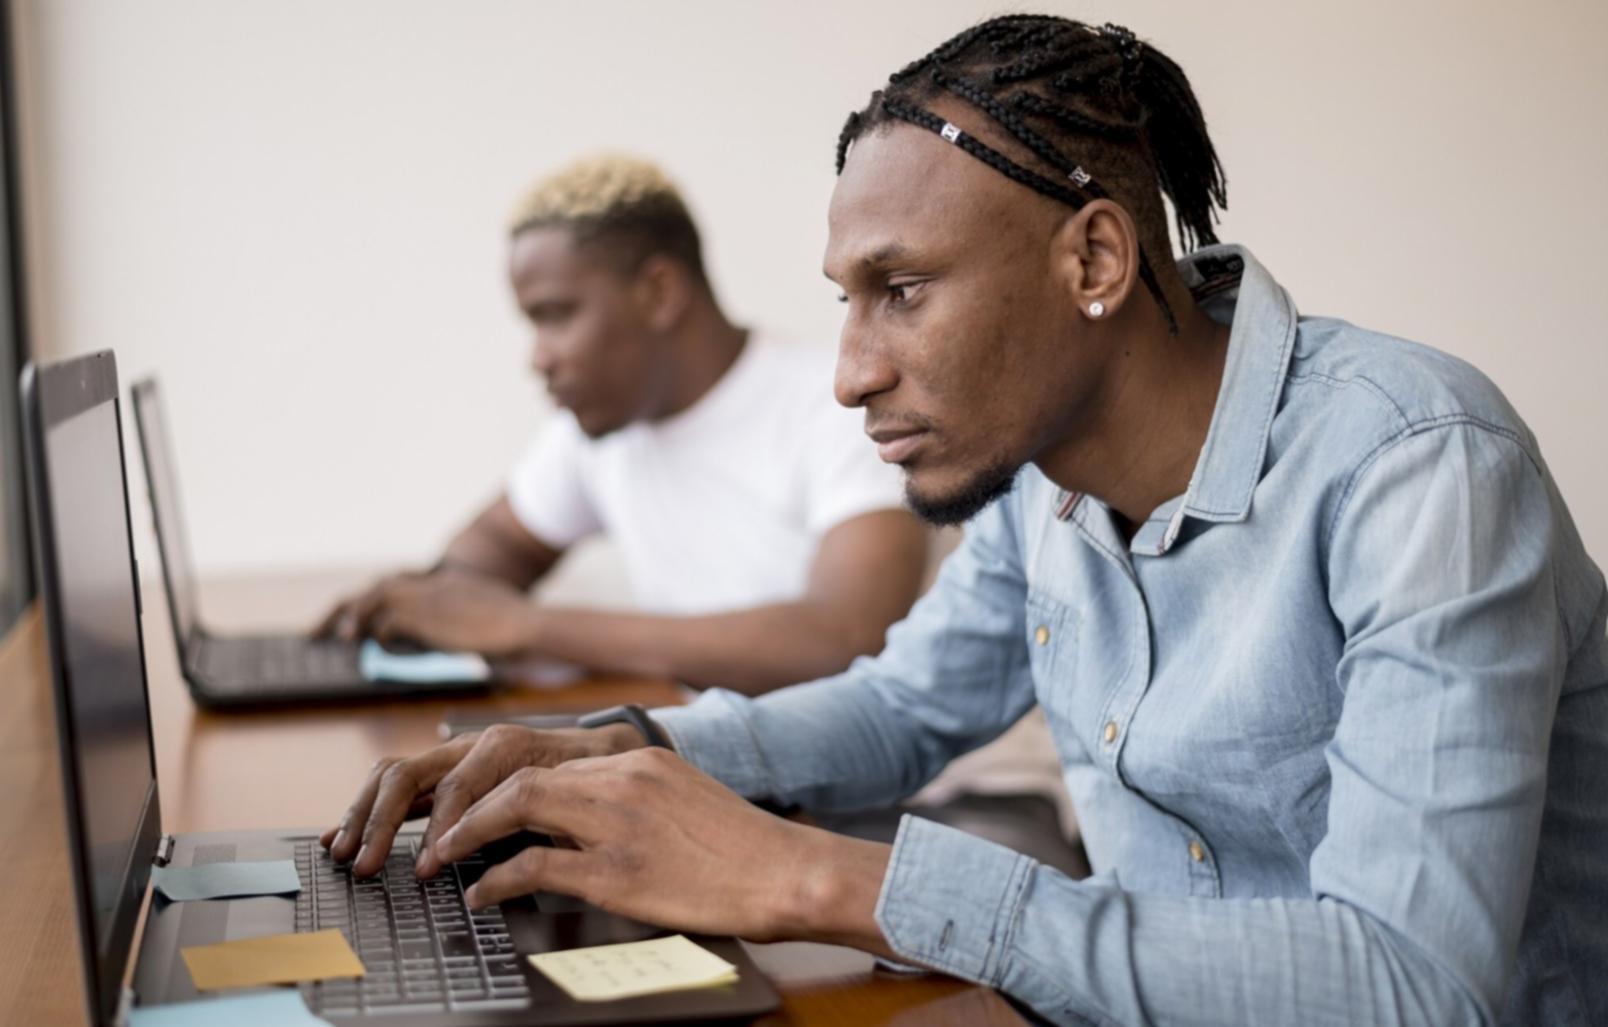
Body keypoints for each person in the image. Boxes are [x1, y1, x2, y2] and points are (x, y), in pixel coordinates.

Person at [322, 16, 1607, 1025]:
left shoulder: (1421, 465)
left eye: (902, 290)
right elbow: (901, 708)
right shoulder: (1045, 474)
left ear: (1094, 262)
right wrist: (611, 744)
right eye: (846, 298)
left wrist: (816, 880)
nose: (850, 370)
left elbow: (1405, 984)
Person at [317, 154, 929, 694]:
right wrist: (431, 603)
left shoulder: (836, 405)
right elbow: (500, 544)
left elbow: (844, 638)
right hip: (743, 780)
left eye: (555, 316)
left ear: (659, 292)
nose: (539, 356)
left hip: (918, 804)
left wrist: (529, 627)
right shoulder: (606, 424)